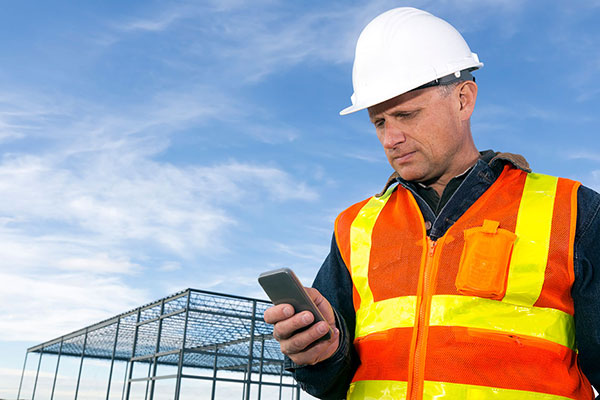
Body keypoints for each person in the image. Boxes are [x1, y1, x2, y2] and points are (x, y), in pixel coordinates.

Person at [264, 7, 599, 400]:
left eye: (406, 115)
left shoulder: (573, 212)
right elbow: (335, 382)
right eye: (379, 122)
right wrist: (320, 356)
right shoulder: (355, 227)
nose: (391, 138)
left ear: (463, 100)